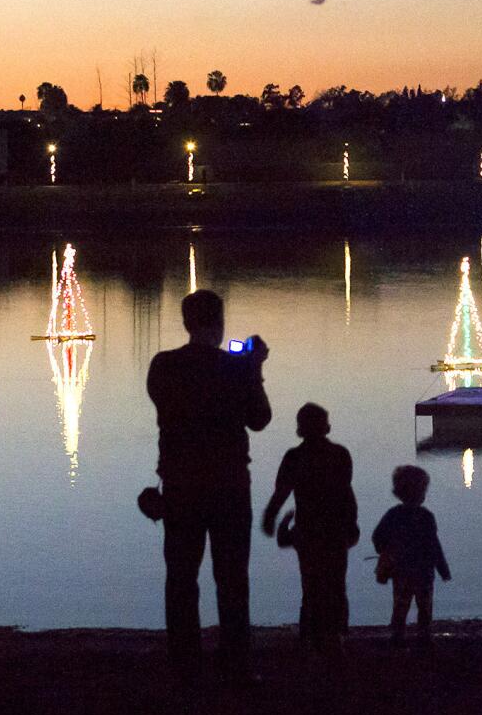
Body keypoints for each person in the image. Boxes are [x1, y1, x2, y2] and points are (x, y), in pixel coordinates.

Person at [146, 289, 271, 679]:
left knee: (181, 576)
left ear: (186, 323)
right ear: (219, 323)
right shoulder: (234, 368)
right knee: (232, 577)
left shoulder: (163, 366)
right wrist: (253, 368)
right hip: (229, 484)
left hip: (181, 484)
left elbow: (163, 404)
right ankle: (235, 661)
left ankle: (184, 660)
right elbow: (260, 418)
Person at [261, 403, 358, 657]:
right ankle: (336, 635)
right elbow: (347, 493)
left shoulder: (294, 457)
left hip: (308, 530)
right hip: (334, 529)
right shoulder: (340, 454)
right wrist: (352, 523)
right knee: (336, 583)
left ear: (299, 429)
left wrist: (271, 517)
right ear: (327, 426)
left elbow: (281, 492)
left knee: (312, 584)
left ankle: (311, 635)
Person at [371, 465, 450, 647]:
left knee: (400, 604)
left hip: (401, 570)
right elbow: (434, 546)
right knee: (424, 606)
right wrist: (443, 570)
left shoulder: (393, 515)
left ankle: (398, 636)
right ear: (421, 493)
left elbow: (377, 537)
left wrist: (385, 551)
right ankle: (424, 637)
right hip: (423, 572)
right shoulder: (426, 517)